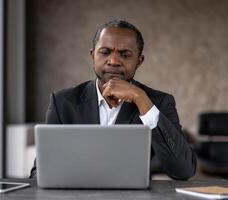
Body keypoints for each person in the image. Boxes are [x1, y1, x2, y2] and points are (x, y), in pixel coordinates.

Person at [30, 20, 196, 180]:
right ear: (92, 55)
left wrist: (141, 99)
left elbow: (184, 170)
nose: (114, 61)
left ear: (139, 61)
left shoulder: (159, 102)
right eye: (105, 52)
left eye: (125, 54)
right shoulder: (62, 102)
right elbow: (41, 172)